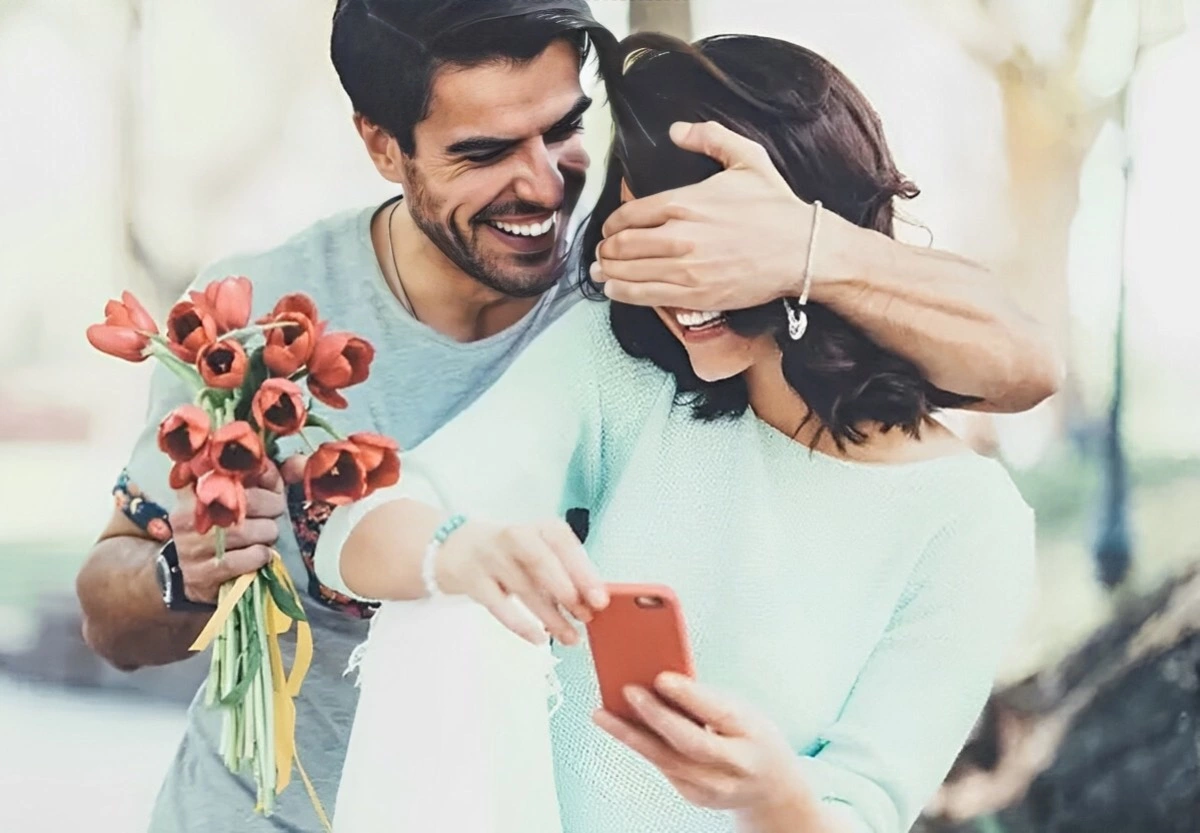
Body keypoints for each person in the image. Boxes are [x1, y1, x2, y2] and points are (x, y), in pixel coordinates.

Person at [73, 2, 1055, 831]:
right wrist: (188, 570)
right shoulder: (262, 311)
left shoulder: (626, 290)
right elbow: (117, 606)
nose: (545, 184)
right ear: (383, 144)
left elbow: (1025, 365)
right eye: (486, 150)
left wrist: (805, 247)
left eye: (562, 130)